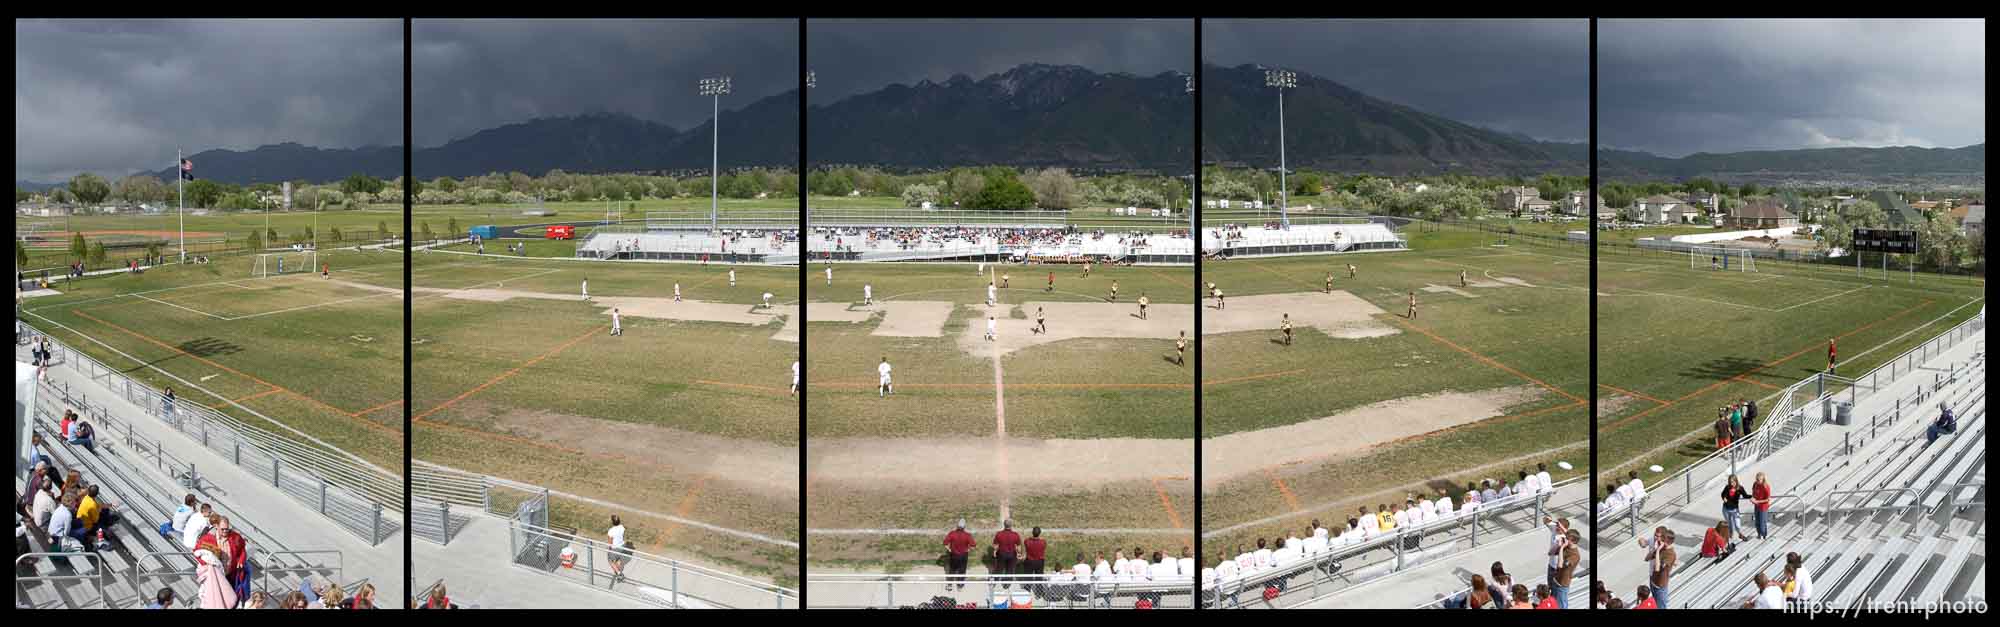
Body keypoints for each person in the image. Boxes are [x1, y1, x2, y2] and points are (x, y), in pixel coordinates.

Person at [1640, 526, 1675, 608]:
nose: (1657, 539)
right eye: (1655, 535)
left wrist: (1658, 551)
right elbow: (1646, 559)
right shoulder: (1659, 546)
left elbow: (1657, 568)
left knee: (1661, 606)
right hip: (1653, 580)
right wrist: (1654, 550)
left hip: (1660, 585)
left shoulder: (1670, 553)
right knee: (1655, 604)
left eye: (1660, 537)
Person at [943, 518, 975, 591]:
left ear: (957, 526)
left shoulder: (952, 533)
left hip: (954, 555)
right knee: (962, 570)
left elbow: (945, 543)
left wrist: (949, 549)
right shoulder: (967, 535)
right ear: (964, 527)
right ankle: (960, 586)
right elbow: (973, 545)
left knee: (952, 570)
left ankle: (950, 585)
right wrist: (968, 550)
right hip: (963, 555)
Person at [992, 520, 1021, 586]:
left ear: (1004, 525)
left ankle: (995, 582)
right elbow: (1019, 547)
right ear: (1011, 525)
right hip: (1012, 555)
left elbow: (995, 546)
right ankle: (1007, 584)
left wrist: (995, 551)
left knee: (999, 568)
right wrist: (1019, 553)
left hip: (1001, 554)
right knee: (1010, 570)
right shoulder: (1015, 535)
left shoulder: (999, 534)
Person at [606, 515, 631, 583]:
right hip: (622, 545)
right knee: (619, 560)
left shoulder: (611, 531)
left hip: (615, 548)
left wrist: (609, 549)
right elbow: (622, 535)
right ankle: (618, 569)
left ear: (612, 522)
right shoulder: (622, 527)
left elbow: (610, 542)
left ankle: (619, 574)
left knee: (610, 561)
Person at [1751, 472, 1774, 539]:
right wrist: (1752, 498)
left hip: (1763, 507)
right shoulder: (1755, 484)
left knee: (1762, 522)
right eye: (1757, 479)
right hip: (1756, 505)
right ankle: (1759, 534)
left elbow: (1768, 499)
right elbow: (1753, 493)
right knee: (1757, 521)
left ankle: (1764, 535)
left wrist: (1758, 501)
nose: (1758, 481)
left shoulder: (1765, 486)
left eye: (1759, 480)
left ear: (1763, 479)